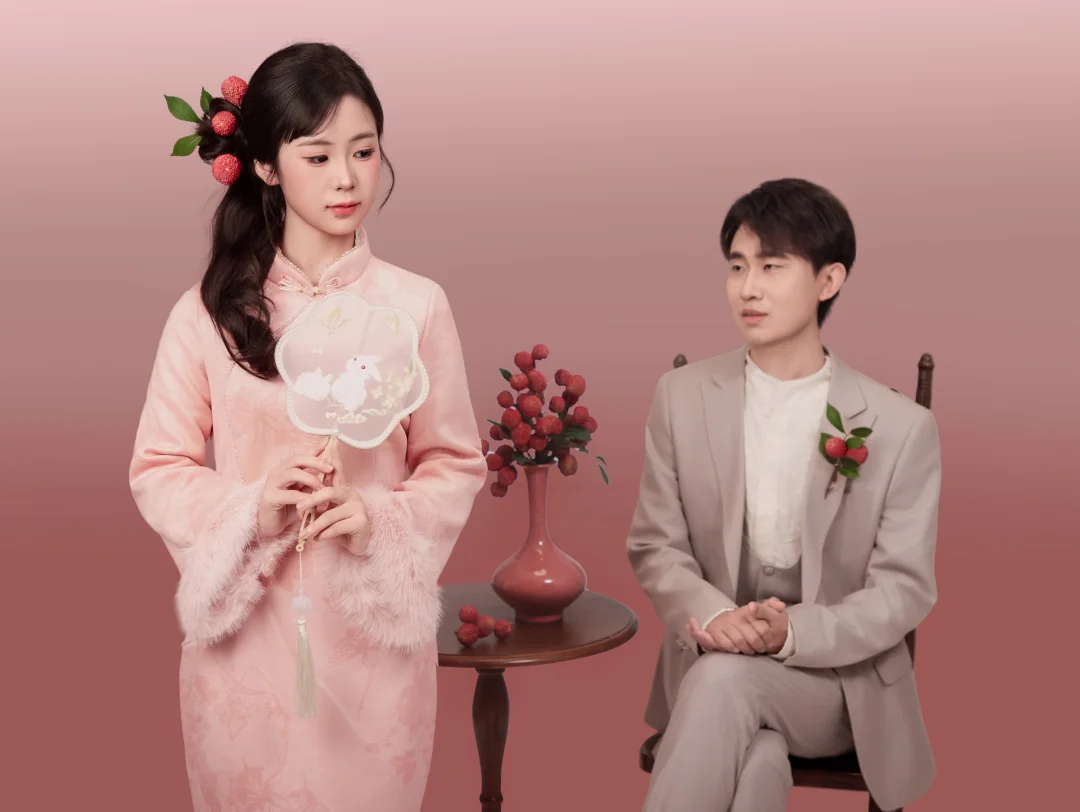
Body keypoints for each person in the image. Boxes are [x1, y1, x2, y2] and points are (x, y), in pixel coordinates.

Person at [130, 42, 487, 812]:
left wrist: (379, 522)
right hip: (244, 652)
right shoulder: (208, 312)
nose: (347, 178)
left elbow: (454, 460)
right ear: (265, 165)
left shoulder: (416, 306)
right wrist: (249, 510)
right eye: (318, 156)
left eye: (364, 150)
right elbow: (158, 465)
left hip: (373, 656)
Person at [626, 178, 941, 812]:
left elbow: (903, 591)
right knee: (758, 760)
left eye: (772, 266)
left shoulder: (899, 427)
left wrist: (788, 633)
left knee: (724, 685)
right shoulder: (681, 397)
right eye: (737, 266)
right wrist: (718, 617)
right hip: (712, 665)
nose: (748, 287)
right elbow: (656, 546)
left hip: (840, 688)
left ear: (828, 280)